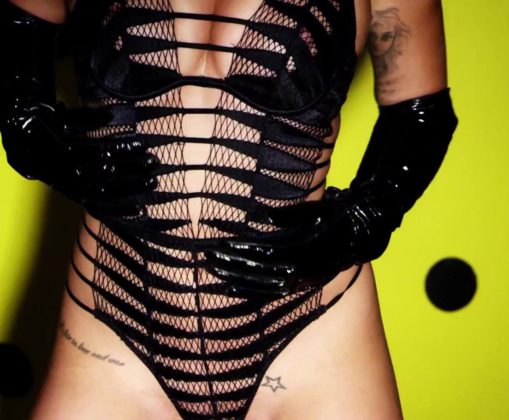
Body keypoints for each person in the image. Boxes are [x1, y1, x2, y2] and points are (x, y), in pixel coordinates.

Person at [0, 0, 457, 418]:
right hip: (113, 326)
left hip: (310, 334)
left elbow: (421, 115)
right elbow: (17, 41)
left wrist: (358, 224)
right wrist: (40, 139)